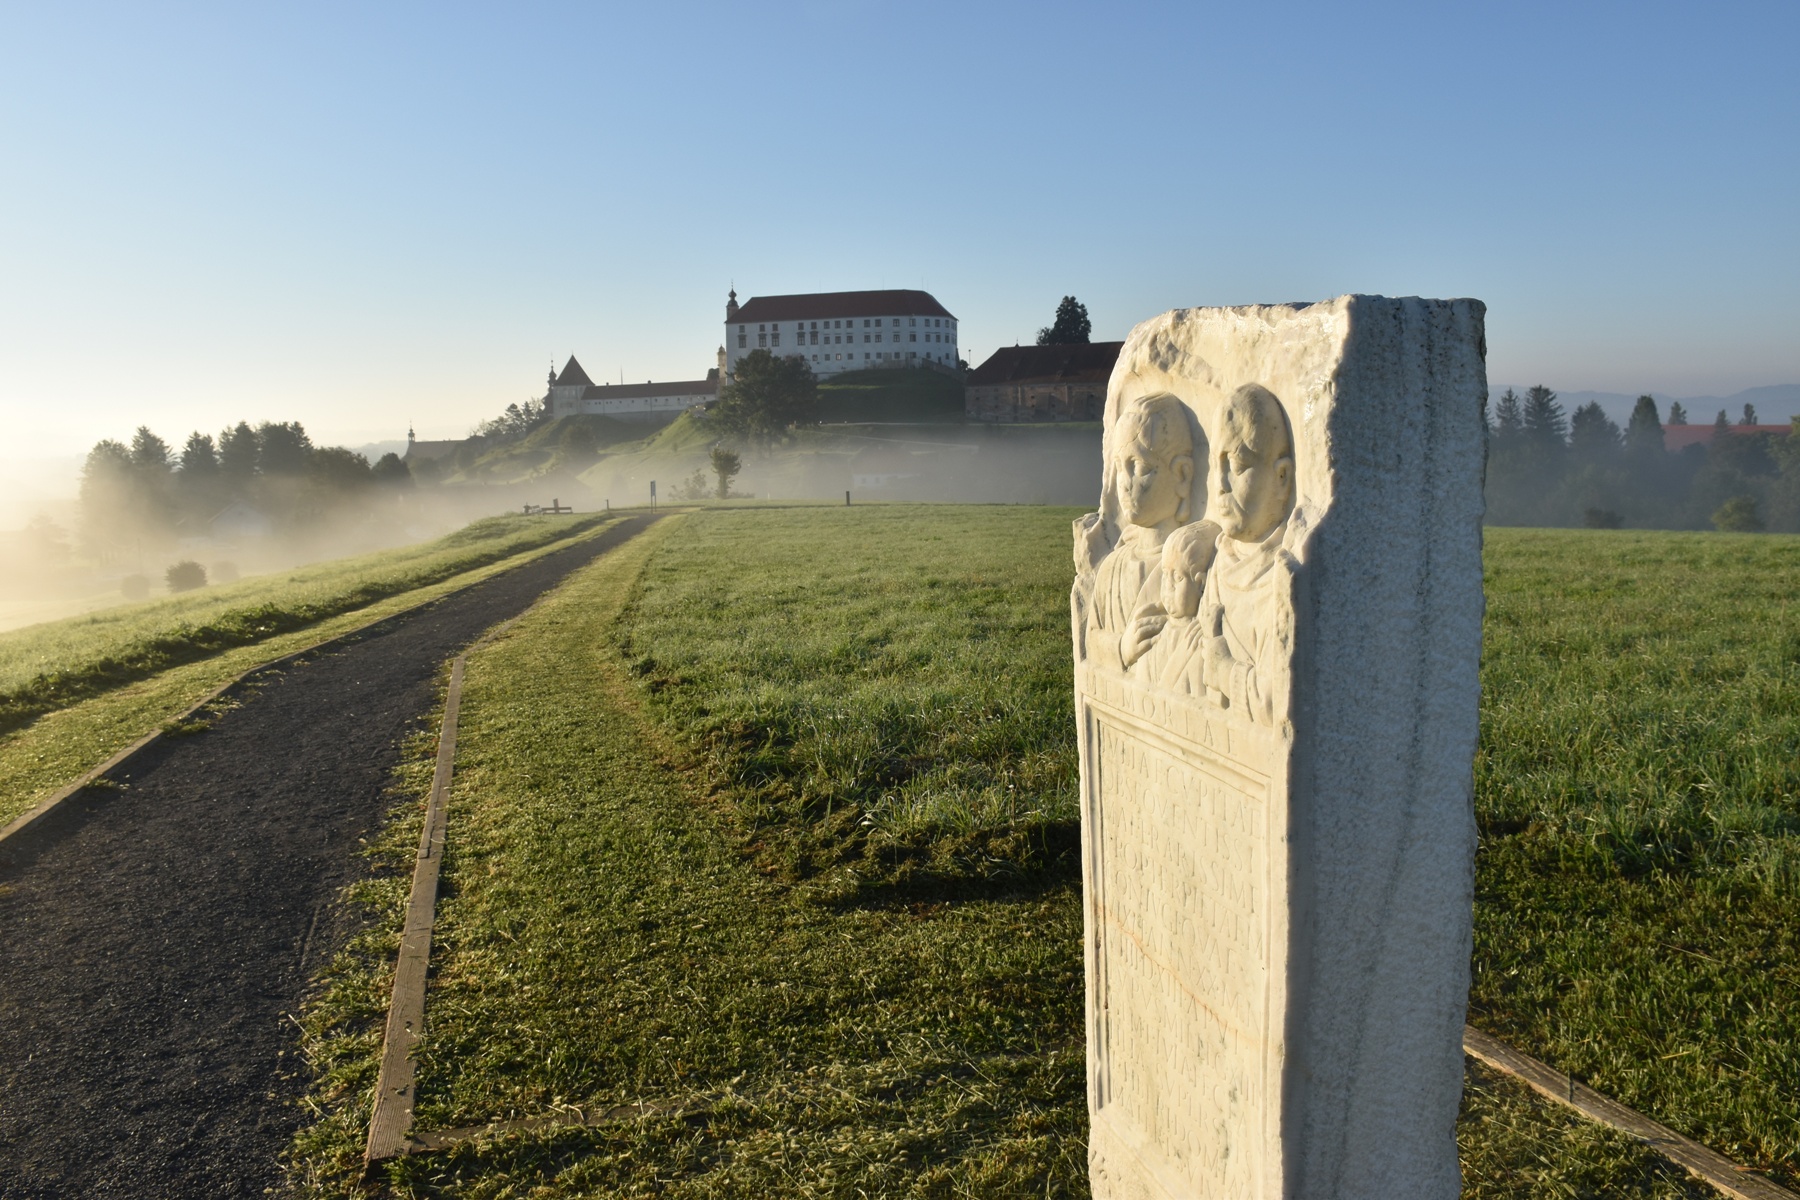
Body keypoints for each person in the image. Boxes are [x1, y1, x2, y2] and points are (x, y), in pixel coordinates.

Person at [1193, 383, 1296, 724]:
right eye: (1215, 465)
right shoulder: (1222, 559)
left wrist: (1222, 668)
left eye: (1236, 466)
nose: (1220, 484)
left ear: (1281, 478)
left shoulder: (1283, 577)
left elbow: (1271, 701)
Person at [1082, 394, 1198, 672]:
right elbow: (1092, 637)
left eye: (1142, 468)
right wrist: (1122, 648)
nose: (1126, 482)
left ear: (1182, 475)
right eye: (1121, 467)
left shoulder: (1195, 563)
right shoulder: (1111, 568)